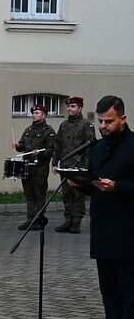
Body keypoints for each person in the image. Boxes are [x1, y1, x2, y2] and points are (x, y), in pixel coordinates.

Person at [74, 96, 134, 319]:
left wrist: (118, 187)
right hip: (103, 228)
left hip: (129, 229)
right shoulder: (97, 148)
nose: (103, 126)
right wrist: (80, 183)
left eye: (109, 121)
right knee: (108, 290)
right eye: (100, 121)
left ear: (123, 118)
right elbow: (94, 181)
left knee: (129, 291)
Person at [51, 97, 95, 234]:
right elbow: (57, 145)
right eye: (69, 106)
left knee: (78, 194)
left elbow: (90, 146)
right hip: (65, 166)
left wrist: (86, 167)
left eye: (73, 106)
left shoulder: (86, 124)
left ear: (80, 108)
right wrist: (54, 163)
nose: (70, 109)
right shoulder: (63, 125)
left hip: (79, 166)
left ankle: (76, 222)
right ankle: (68, 221)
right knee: (66, 194)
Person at [13, 103, 56, 230]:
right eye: (33, 113)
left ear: (44, 115)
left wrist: (41, 153)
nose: (34, 115)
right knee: (29, 195)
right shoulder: (28, 130)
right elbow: (22, 146)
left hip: (39, 169)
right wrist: (17, 146)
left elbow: (52, 149)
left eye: (37, 113)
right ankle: (30, 219)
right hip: (27, 168)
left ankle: (38, 220)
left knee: (39, 195)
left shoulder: (48, 131)